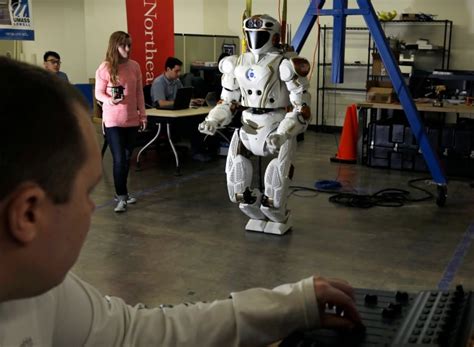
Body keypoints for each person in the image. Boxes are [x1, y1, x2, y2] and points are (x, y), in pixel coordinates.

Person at [0, 56, 362, 346]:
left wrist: (288, 306)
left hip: (271, 132)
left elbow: (135, 333)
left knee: (272, 187)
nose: (93, 209)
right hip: (251, 132)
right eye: (86, 193)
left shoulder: (37, 290)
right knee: (242, 184)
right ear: (28, 214)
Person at [199, 14, 312, 235]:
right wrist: (212, 120)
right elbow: (228, 102)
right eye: (250, 33)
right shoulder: (236, 64)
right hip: (248, 126)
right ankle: (255, 214)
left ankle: (278, 217)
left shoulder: (286, 64)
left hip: (277, 125)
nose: (255, 38)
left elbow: (302, 109)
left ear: (275, 36)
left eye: (261, 34)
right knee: (239, 191)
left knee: (275, 193)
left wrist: (283, 133)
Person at [95, 31, 147, 213]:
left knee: (126, 158)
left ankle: (122, 193)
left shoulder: (135, 66)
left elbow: (139, 93)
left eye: (129, 45)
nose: (127, 49)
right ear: (114, 47)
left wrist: (143, 115)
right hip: (113, 122)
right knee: (118, 159)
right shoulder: (105, 68)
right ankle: (122, 196)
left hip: (131, 120)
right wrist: (109, 100)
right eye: (124, 45)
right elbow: (98, 93)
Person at [151, 57, 214, 162]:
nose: (179, 74)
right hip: (163, 119)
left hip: (177, 114)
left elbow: (182, 97)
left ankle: (204, 149)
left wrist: (192, 100)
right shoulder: (159, 83)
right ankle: (196, 152)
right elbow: (161, 103)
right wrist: (177, 103)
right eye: (176, 71)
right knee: (194, 124)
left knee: (201, 119)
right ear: (168, 69)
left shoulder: (177, 81)